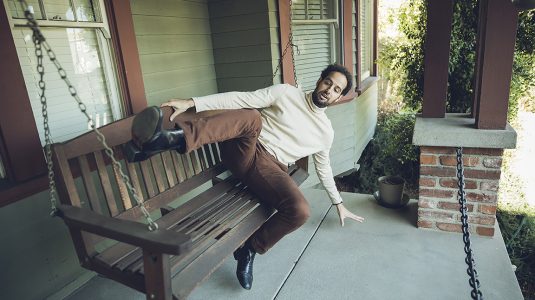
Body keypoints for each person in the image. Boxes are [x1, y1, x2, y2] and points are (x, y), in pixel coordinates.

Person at [126, 64, 364, 290]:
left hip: (270, 169)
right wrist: (192, 102)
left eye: (336, 90)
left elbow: (323, 167)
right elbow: (241, 98)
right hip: (245, 148)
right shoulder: (286, 93)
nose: (328, 90)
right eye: (327, 82)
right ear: (319, 80)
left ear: (338, 97)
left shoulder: (325, 133)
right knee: (252, 117)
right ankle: (171, 140)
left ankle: (248, 250)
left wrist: (338, 202)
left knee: (301, 211)